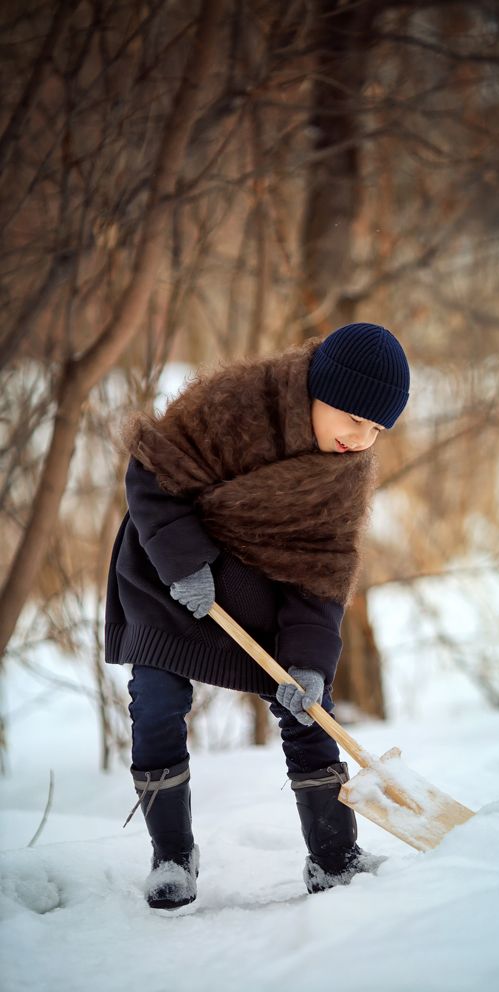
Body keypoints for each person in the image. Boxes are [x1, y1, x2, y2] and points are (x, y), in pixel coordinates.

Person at [105, 322, 410, 909]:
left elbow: (321, 572)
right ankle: (172, 855)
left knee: (306, 702)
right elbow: (151, 472)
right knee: (158, 698)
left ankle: (333, 859)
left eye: (376, 427)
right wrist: (184, 561)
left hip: (257, 589)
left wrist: (310, 663)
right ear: (319, 390)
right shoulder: (237, 402)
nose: (361, 436)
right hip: (167, 570)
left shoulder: (344, 476)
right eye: (352, 417)